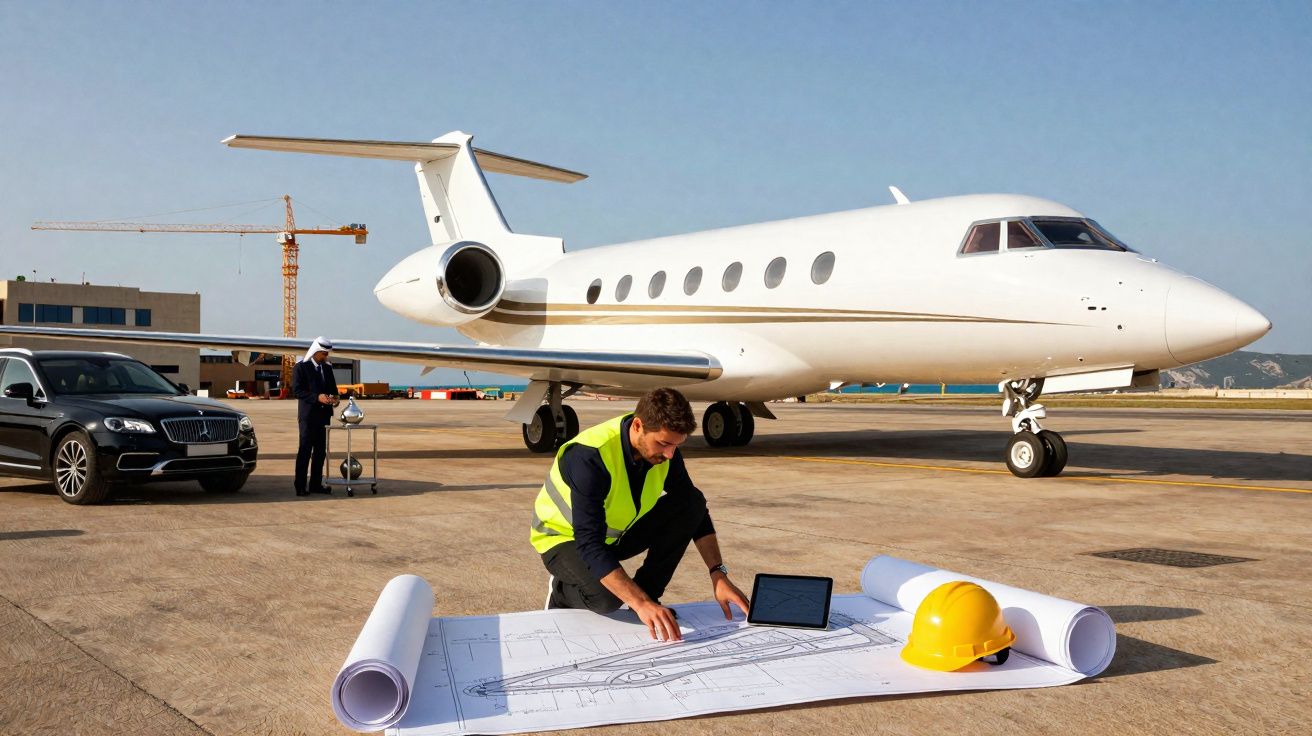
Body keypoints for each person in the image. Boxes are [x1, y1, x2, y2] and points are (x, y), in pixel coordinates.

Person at [530, 387, 750, 642]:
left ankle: (647, 594)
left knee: (690, 501)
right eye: (664, 443)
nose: (669, 454)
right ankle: (562, 590)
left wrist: (718, 574)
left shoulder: (666, 452)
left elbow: (694, 508)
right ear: (638, 426)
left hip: (614, 535)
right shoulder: (589, 456)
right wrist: (638, 602)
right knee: (607, 599)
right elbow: (589, 544)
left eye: (676, 446)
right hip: (563, 540)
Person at [292, 337, 339, 496]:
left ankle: (315, 484)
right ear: (315, 351)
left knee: (320, 452)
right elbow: (297, 391)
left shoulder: (327, 368)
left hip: (324, 416)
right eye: (323, 353)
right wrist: (317, 397)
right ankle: (300, 486)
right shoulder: (301, 367)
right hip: (308, 417)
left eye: (327, 353)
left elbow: (333, 390)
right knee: (305, 451)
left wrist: (335, 399)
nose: (326, 356)